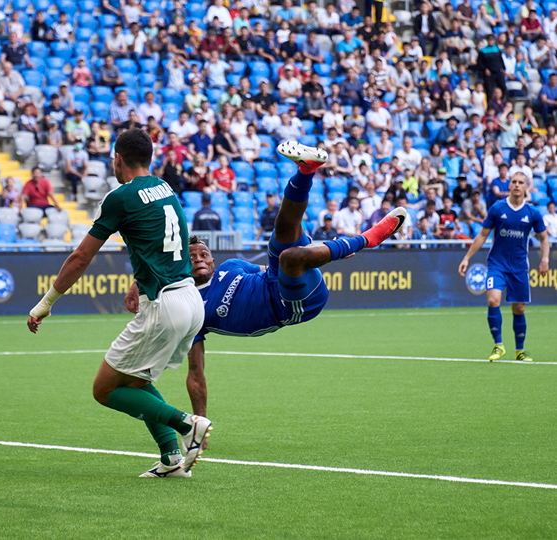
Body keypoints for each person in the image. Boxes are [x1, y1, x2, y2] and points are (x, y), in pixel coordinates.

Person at [130, 141, 407, 417]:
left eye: (204, 253)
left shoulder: (233, 265)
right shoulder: (190, 306)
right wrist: (199, 421)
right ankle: (364, 240)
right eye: (193, 257)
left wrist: (313, 254)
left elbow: (266, 271)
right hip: (289, 306)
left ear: (213, 260)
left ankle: (307, 169)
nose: (200, 258)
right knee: (289, 257)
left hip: (281, 278)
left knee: (282, 234)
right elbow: (195, 373)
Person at [28, 128, 213, 478]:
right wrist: (136, 282)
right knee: (136, 380)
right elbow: (164, 243)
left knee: (104, 389)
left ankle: (187, 424)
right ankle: (172, 459)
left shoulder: (121, 197)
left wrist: (47, 302)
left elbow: (81, 257)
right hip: (189, 298)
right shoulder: (166, 188)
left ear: (117, 158)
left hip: (164, 304)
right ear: (151, 157)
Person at [458, 173, 550, 362]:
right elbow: (483, 235)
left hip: (519, 267)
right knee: (493, 300)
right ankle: (498, 345)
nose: (517, 185)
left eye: (520, 183)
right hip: (497, 264)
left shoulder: (532, 213)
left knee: (519, 309)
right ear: (510, 185)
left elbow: (544, 238)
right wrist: (467, 257)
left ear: (526, 187)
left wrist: (545, 260)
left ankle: (520, 351)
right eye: (514, 182)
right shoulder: (498, 208)